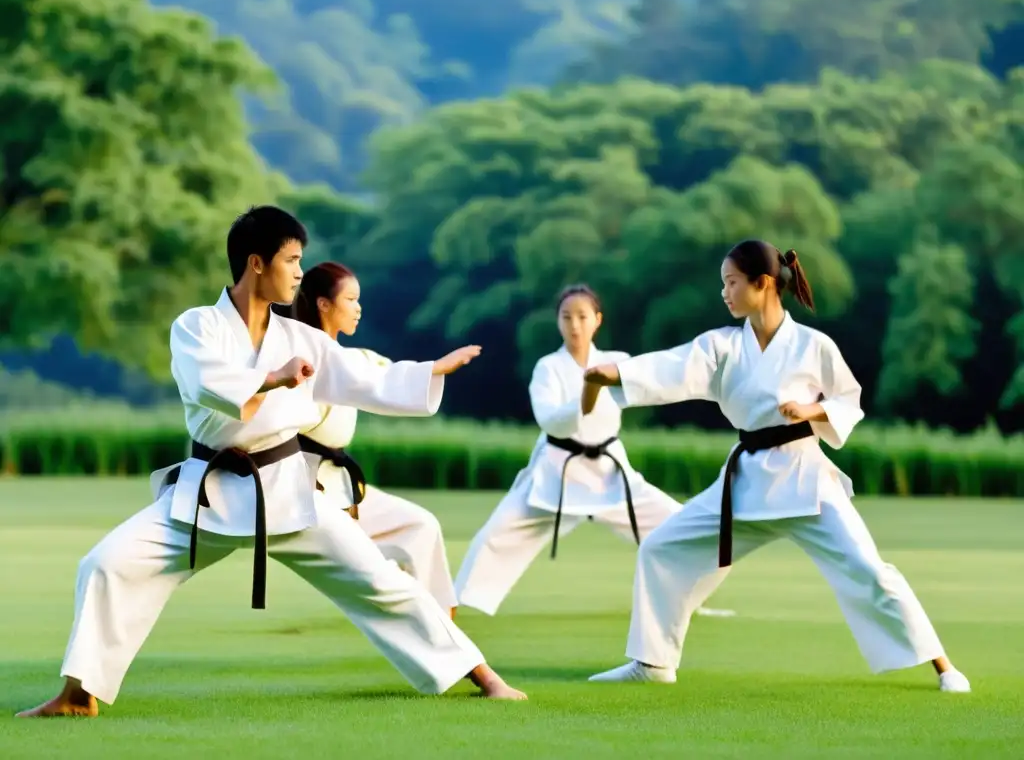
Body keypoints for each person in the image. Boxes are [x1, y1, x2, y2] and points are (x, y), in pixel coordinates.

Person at [16, 206, 526, 718]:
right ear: (256, 263)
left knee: (380, 582)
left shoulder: (302, 338)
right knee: (106, 564)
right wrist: (272, 378)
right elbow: (206, 385)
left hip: (288, 493)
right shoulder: (197, 326)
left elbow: (362, 378)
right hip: (209, 495)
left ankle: (483, 676)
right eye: (292, 259)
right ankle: (78, 696)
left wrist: (428, 372)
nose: (300, 272)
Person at [584, 239, 970, 693]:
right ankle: (652, 664)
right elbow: (671, 367)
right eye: (723, 284)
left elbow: (849, 400)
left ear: (762, 283)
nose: (724, 293)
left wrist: (813, 412)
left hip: (806, 481)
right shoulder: (721, 346)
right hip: (746, 482)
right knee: (661, 548)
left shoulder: (813, 345)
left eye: (731, 283)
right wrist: (614, 374)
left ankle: (944, 667)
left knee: (869, 570)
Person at [453, 284, 735, 619]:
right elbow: (551, 421)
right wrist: (585, 395)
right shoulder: (548, 367)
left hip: (610, 474)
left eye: (582, 316)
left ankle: (687, 600)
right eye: (566, 317)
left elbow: (654, 382)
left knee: (682, 527)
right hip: (556, 473)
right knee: (493, 536)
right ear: (557, 321)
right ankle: (454, 607)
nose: (574, 324)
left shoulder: (616, 363)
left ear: (597, 320)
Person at [280, 261, 458, 617]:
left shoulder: (353, 360)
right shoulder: (295, 362)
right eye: (350, 299)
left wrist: (432, 369)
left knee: (420, 526)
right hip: (299, 492)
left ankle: (446, 631)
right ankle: (425, 630)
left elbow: (387, 376)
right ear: (323, 304)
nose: (359, 307)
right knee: (375, 580)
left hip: (339, 487)